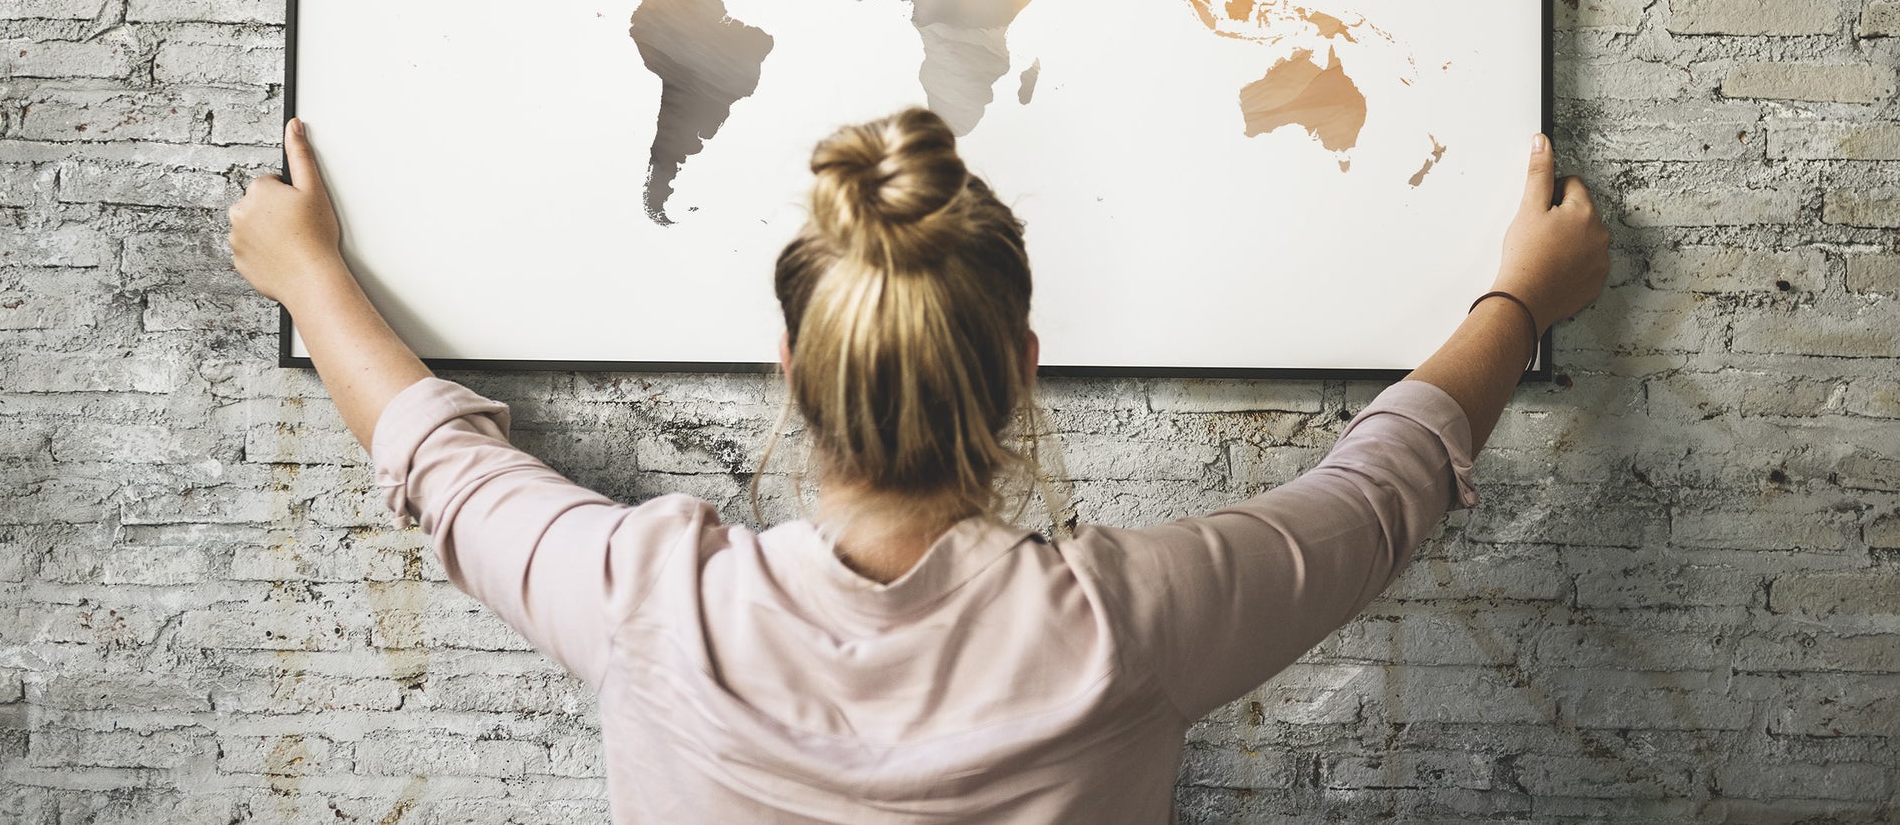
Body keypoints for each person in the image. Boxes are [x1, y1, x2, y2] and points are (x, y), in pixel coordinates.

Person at [228, 108, 1608, 822]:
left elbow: (441, 463)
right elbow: (1380, 490)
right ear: (1021, 366)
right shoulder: (1129, 627)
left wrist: (308, 274)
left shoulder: (648, 601)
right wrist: (1521, 299)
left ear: (792, 370)